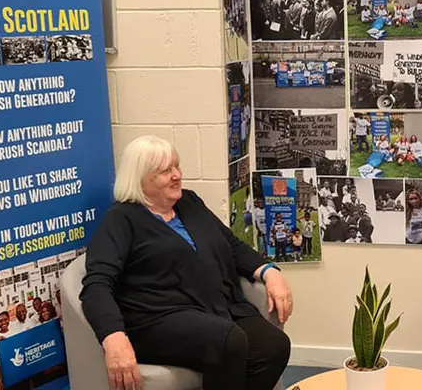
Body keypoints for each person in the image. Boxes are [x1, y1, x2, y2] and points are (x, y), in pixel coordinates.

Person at [81, 136, 292, 390]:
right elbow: (97, 285)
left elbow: (231, 244)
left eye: (176, 166)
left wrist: (269, 272)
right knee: (228, 341)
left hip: (216, 307)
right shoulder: (121, 220)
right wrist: (113, 336)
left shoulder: (189, 202)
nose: (177, 175)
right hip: (157, 318)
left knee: (273, 346)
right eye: (165, 171)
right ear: (140, 179)